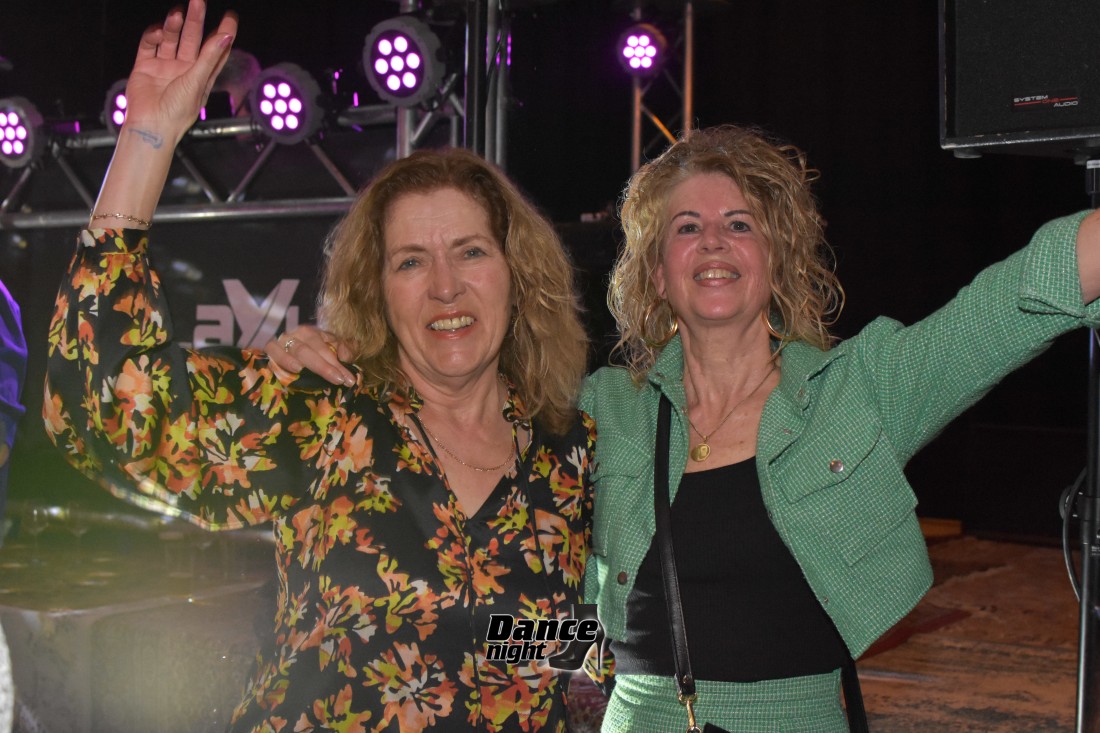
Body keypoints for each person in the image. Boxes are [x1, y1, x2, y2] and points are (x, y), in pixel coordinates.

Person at [271, 124, 1100, 732]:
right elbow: (449, 399)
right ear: (657, 274)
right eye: (687, 227)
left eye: (739, 223)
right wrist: (334, 357)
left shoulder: (859, 390)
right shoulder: (600, 408)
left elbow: (1009, 304)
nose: (713, 242)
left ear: (775, 258)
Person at [42, 1, 596, 730]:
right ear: (377, 291)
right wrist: (146, 140)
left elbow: (560, 640)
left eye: (470, 251)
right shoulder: (321, 410)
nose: (445, 286)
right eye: (410, 262)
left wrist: (577, 662)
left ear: (516, 276)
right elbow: (106, 409)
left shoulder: (569, 451)